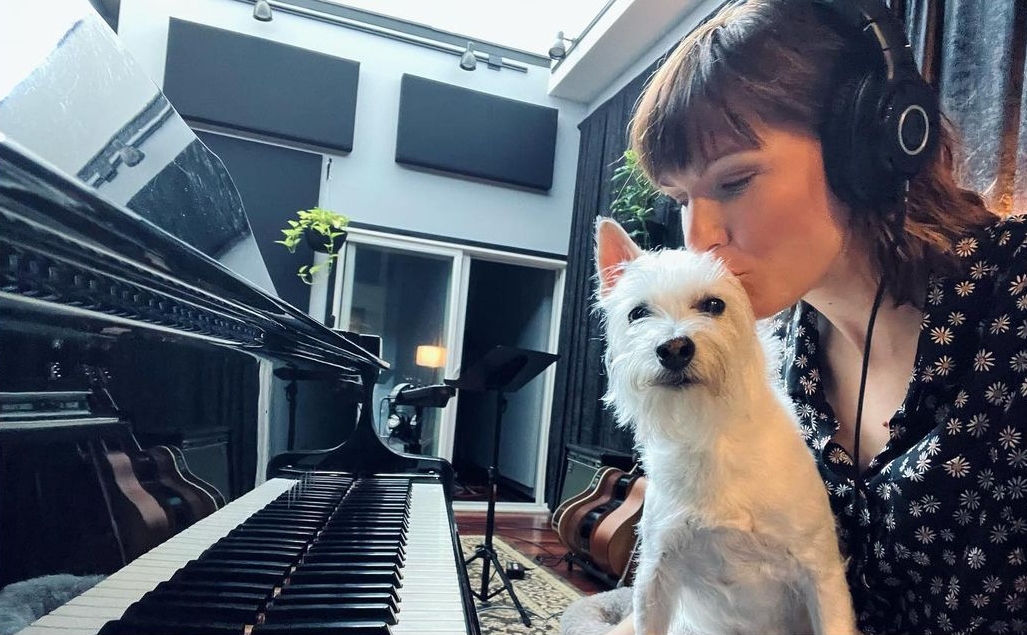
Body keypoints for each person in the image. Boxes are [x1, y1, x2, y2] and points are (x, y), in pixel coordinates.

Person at [560, 1, 1027, 634]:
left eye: (733, 182)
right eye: (681, 200)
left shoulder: (1012, 295)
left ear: (867, 143)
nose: (699, 239)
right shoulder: (788, 353)